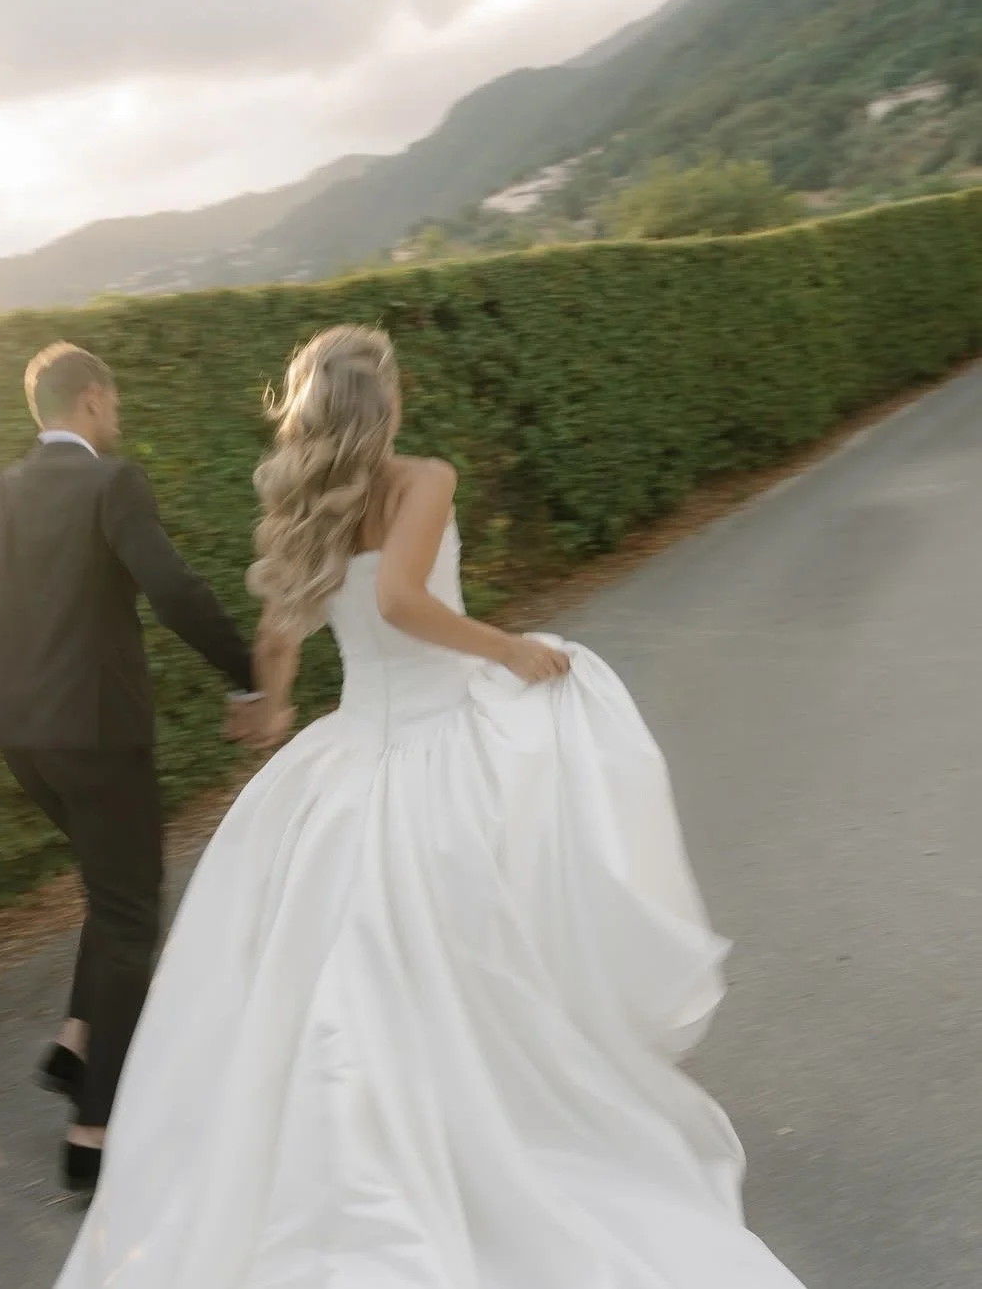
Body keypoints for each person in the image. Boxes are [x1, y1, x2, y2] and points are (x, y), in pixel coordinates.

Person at [55, 323, 809, 1287]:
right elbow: (407, 601)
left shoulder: (307, 502)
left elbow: (280, 635)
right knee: (471, 943)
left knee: (358, 972)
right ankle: (475, 1134)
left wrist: (275, 708)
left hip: (350, 752)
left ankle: (365, 1154)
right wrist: (510, 649)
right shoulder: (425, 480)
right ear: (389, 400)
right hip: (438, 742)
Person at [0, 342, 269, 1193]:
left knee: (108, 881)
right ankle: (93, 1128)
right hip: (99, 735)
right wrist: (248, 675)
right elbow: (171, 588)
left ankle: (78, 1039)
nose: (115, 418)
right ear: (91, 399)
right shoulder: (110, 484)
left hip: (25, 742)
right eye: (112, 403)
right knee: (132, 915)